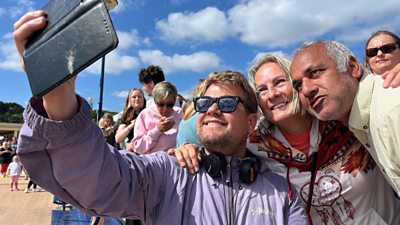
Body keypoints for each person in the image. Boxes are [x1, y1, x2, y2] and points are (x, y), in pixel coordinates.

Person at [13, 14, 308, 221]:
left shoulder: (283, 195)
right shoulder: (166, 174)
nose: (212, 110)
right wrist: (57, 93)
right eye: (204, 103)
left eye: (228, 103)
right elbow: (95, 180)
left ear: (253, 122)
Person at [174, 54, 400, 225]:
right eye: (262, 89)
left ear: (298, 85)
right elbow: (215, 136)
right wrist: (187, 148)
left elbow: (366, 90)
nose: (272, 94)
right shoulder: (253, 141)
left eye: (280, 82)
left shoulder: (341, 118)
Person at [290, 40, 400, 196]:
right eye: (298, 85)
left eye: (315, 72)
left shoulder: (392, 111)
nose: (306, 90)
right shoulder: (360, 120)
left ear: (353, 67)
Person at [130, 81, 183, 154]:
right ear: (155, 101)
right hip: (153, 162)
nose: (165, 108)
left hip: (177, 161)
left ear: (174, 102)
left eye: (170, 105)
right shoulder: (145, 115)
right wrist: (158, 130)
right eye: (161, 104)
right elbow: (138, 147)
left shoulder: (180, 113)